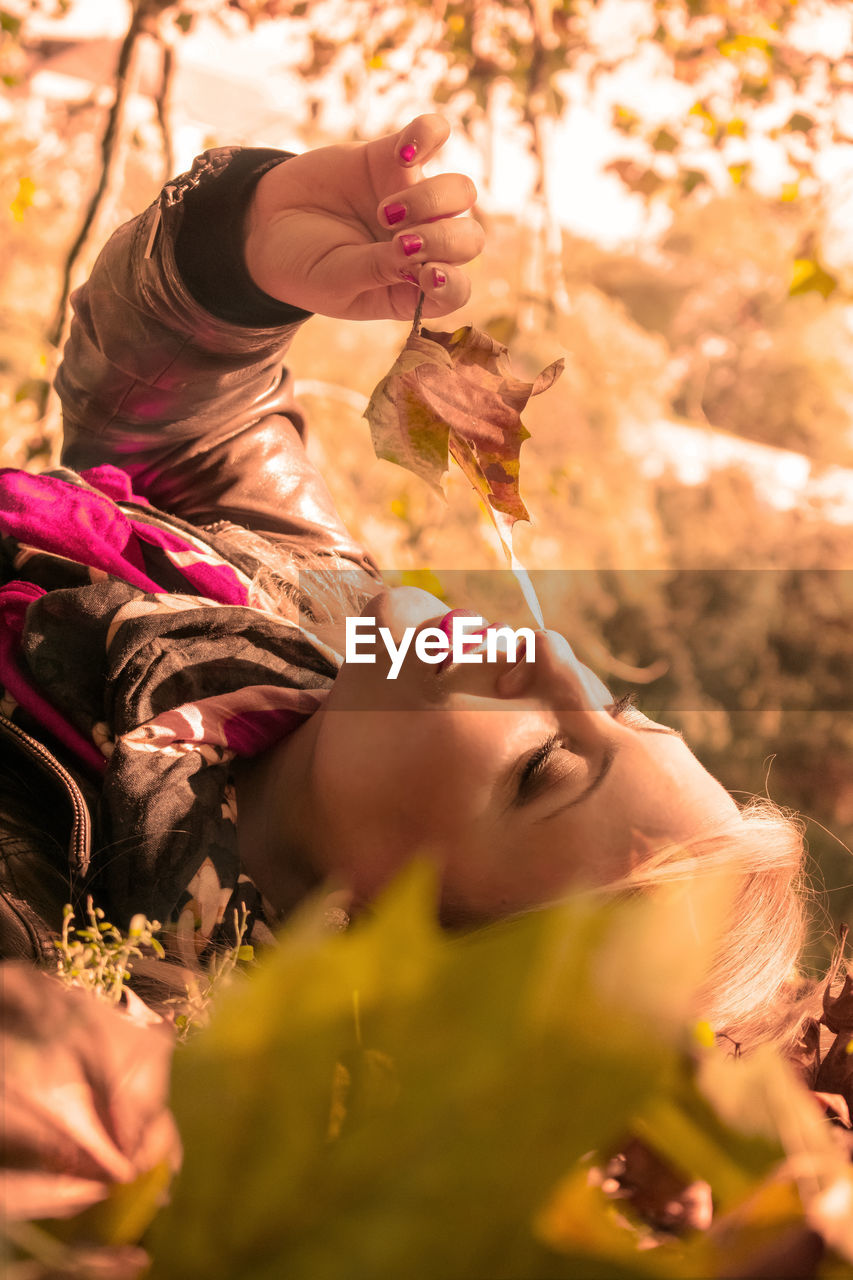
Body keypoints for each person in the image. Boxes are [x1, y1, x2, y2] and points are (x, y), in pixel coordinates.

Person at [0, 114, 817, 1063]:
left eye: (542, 766)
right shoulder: (305, 614)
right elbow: (189, 435)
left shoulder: (51, 959)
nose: (549, 665)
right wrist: (240, 258)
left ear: (367, 943)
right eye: (620, 708)